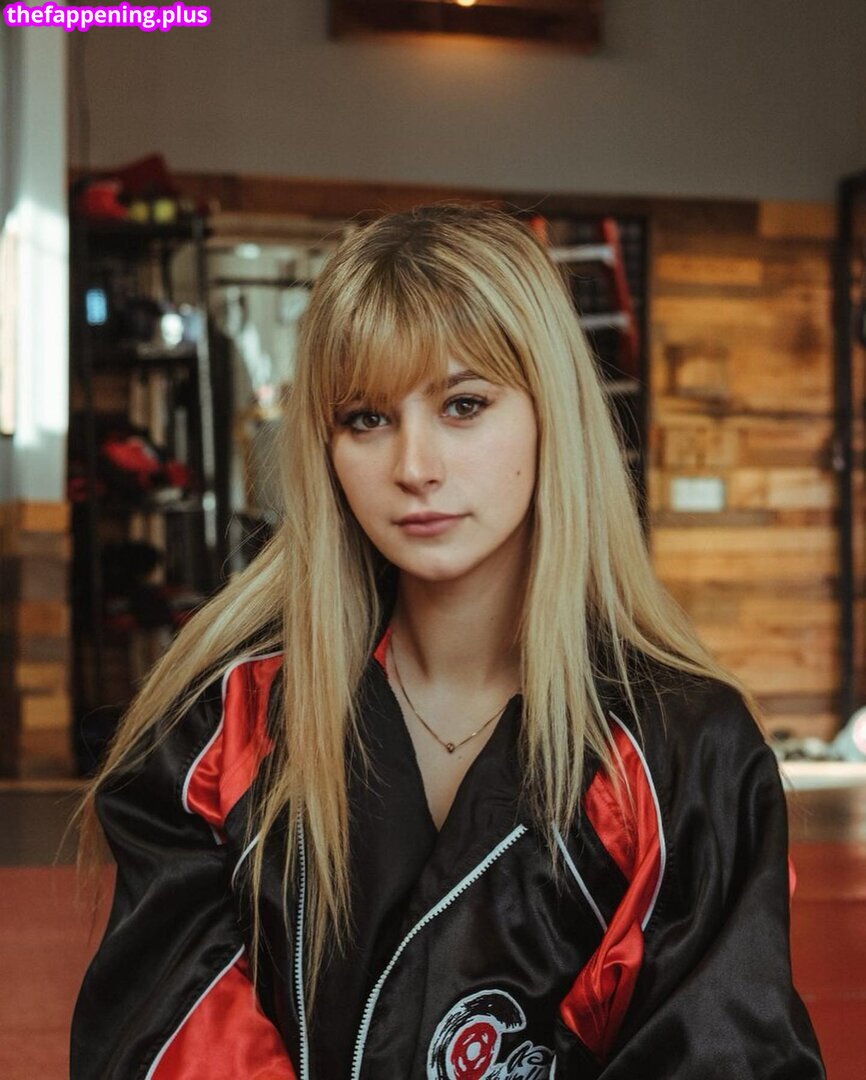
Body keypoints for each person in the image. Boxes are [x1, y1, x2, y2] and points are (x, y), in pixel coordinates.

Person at [69, 203, 825, 1079]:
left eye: (464, 405)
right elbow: (166, 1038)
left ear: (550, 414)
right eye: (366, 419)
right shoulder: (219, 725)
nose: (414, 467)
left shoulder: (684, 754)